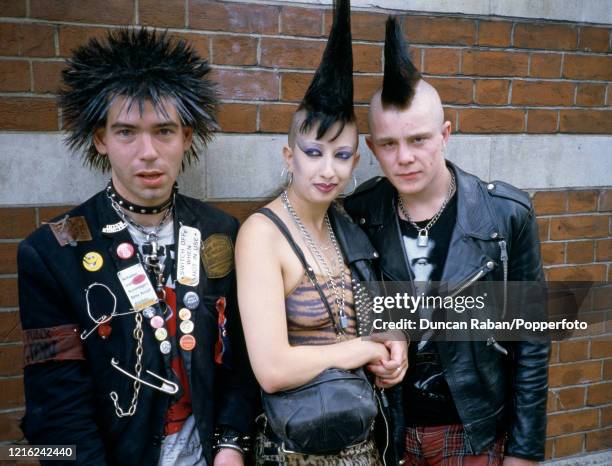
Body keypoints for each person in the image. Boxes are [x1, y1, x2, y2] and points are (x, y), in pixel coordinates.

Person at [18, 28, 256, 465]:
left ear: (187, 136)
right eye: (126, 132)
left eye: (163, 131)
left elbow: (239, 360)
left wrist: (231, 443)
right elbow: (56, 407)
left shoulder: (220, 232)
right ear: (101, 139)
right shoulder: (52, 252)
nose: (148, 152)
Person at [344, 17, 550, 466]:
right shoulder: (360, 212)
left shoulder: (505, 214)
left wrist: (524, 452)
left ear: (445, 134)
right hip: (385, 430)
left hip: (472, 431)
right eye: (389, 144)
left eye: (418, 139)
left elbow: (532, 340)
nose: (405, 157)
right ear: (373, 148)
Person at [235, 1, 407, 464]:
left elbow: (375, 323)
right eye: (314, 152)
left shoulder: (348, 224)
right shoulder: (261, 235)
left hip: (365, 444)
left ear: (356, 160)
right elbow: (271, 369)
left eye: (343, 155)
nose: (328, 169)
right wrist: (358, 349)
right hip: (296, 450)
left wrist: (393, 350)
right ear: (289, 156)